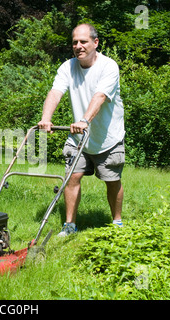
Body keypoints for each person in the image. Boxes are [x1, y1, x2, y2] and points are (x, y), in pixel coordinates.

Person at [38, 23, 125, 237]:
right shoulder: (67, 67)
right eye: (75, 42)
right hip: (78, 137)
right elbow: (55, 92)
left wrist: (85, 120)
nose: (78, 46)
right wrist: (45, 119)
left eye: (83, 41)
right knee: (72, 177)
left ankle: (117, 221)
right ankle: (69, 225)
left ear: (95, 43)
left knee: (111, 180)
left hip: (108, 137)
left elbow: (100, 96)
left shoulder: (109, 66)